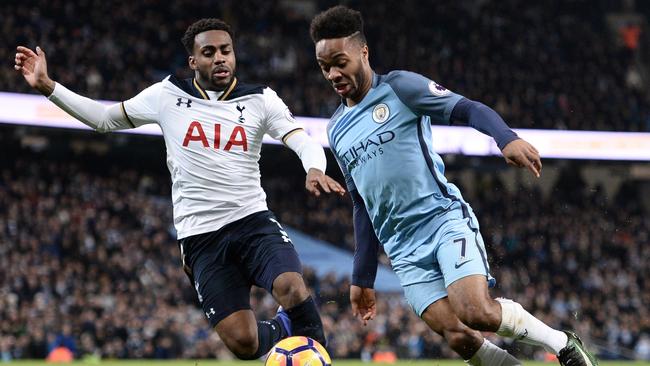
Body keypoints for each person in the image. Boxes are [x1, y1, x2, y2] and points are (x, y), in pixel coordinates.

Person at [14, 18, 344, 360]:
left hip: (252, 221)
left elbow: (300, 138)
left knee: (290, 284)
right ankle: (286, 330)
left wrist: (314, 167)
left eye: (226, 51)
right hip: (201, 237)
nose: (220, 58)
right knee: (243, 344)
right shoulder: (168, 95)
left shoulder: (260, 98)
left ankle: (316, 353)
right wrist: (48, 86)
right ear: (193, 61)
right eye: (209, 52)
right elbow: (103, 119)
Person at [310, 6, 598, 366]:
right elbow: (360, 204)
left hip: (441, 220)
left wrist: (505, 138)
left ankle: (563, 344)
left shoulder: (400, 87)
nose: (333, 73)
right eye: (325, 67)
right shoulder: (336, 130)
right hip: (401, 249)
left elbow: (468, 108)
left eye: (340, 61)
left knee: (476, 312)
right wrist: (362, 276)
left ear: (363, 52)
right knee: (458, 335)